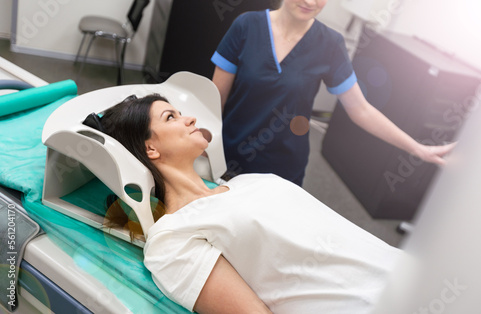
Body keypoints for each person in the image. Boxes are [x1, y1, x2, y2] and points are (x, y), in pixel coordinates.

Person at [91, 93, 403, 314]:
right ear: (151, 149)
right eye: (170, 117)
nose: (190, 118)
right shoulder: (172, 237)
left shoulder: (249, 181)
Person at [211, 0, 455, 185]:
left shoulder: (330, 44)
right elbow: (215, 100)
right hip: (229, 157)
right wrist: (203, 150)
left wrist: (417, 148)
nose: (311, 2)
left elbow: (360, 109)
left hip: (282, 169)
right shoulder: (246, 26)